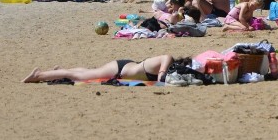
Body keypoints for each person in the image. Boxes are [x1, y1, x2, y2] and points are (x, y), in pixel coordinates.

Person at [23, 54, 176, 84]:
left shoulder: (169, 67)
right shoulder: (167, 61)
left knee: (87, 72)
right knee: (78, 77)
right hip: (119, 69)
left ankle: (59, 70)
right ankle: (39, 74)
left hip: (121, 68)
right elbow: (166, 56)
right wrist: (162, 74)